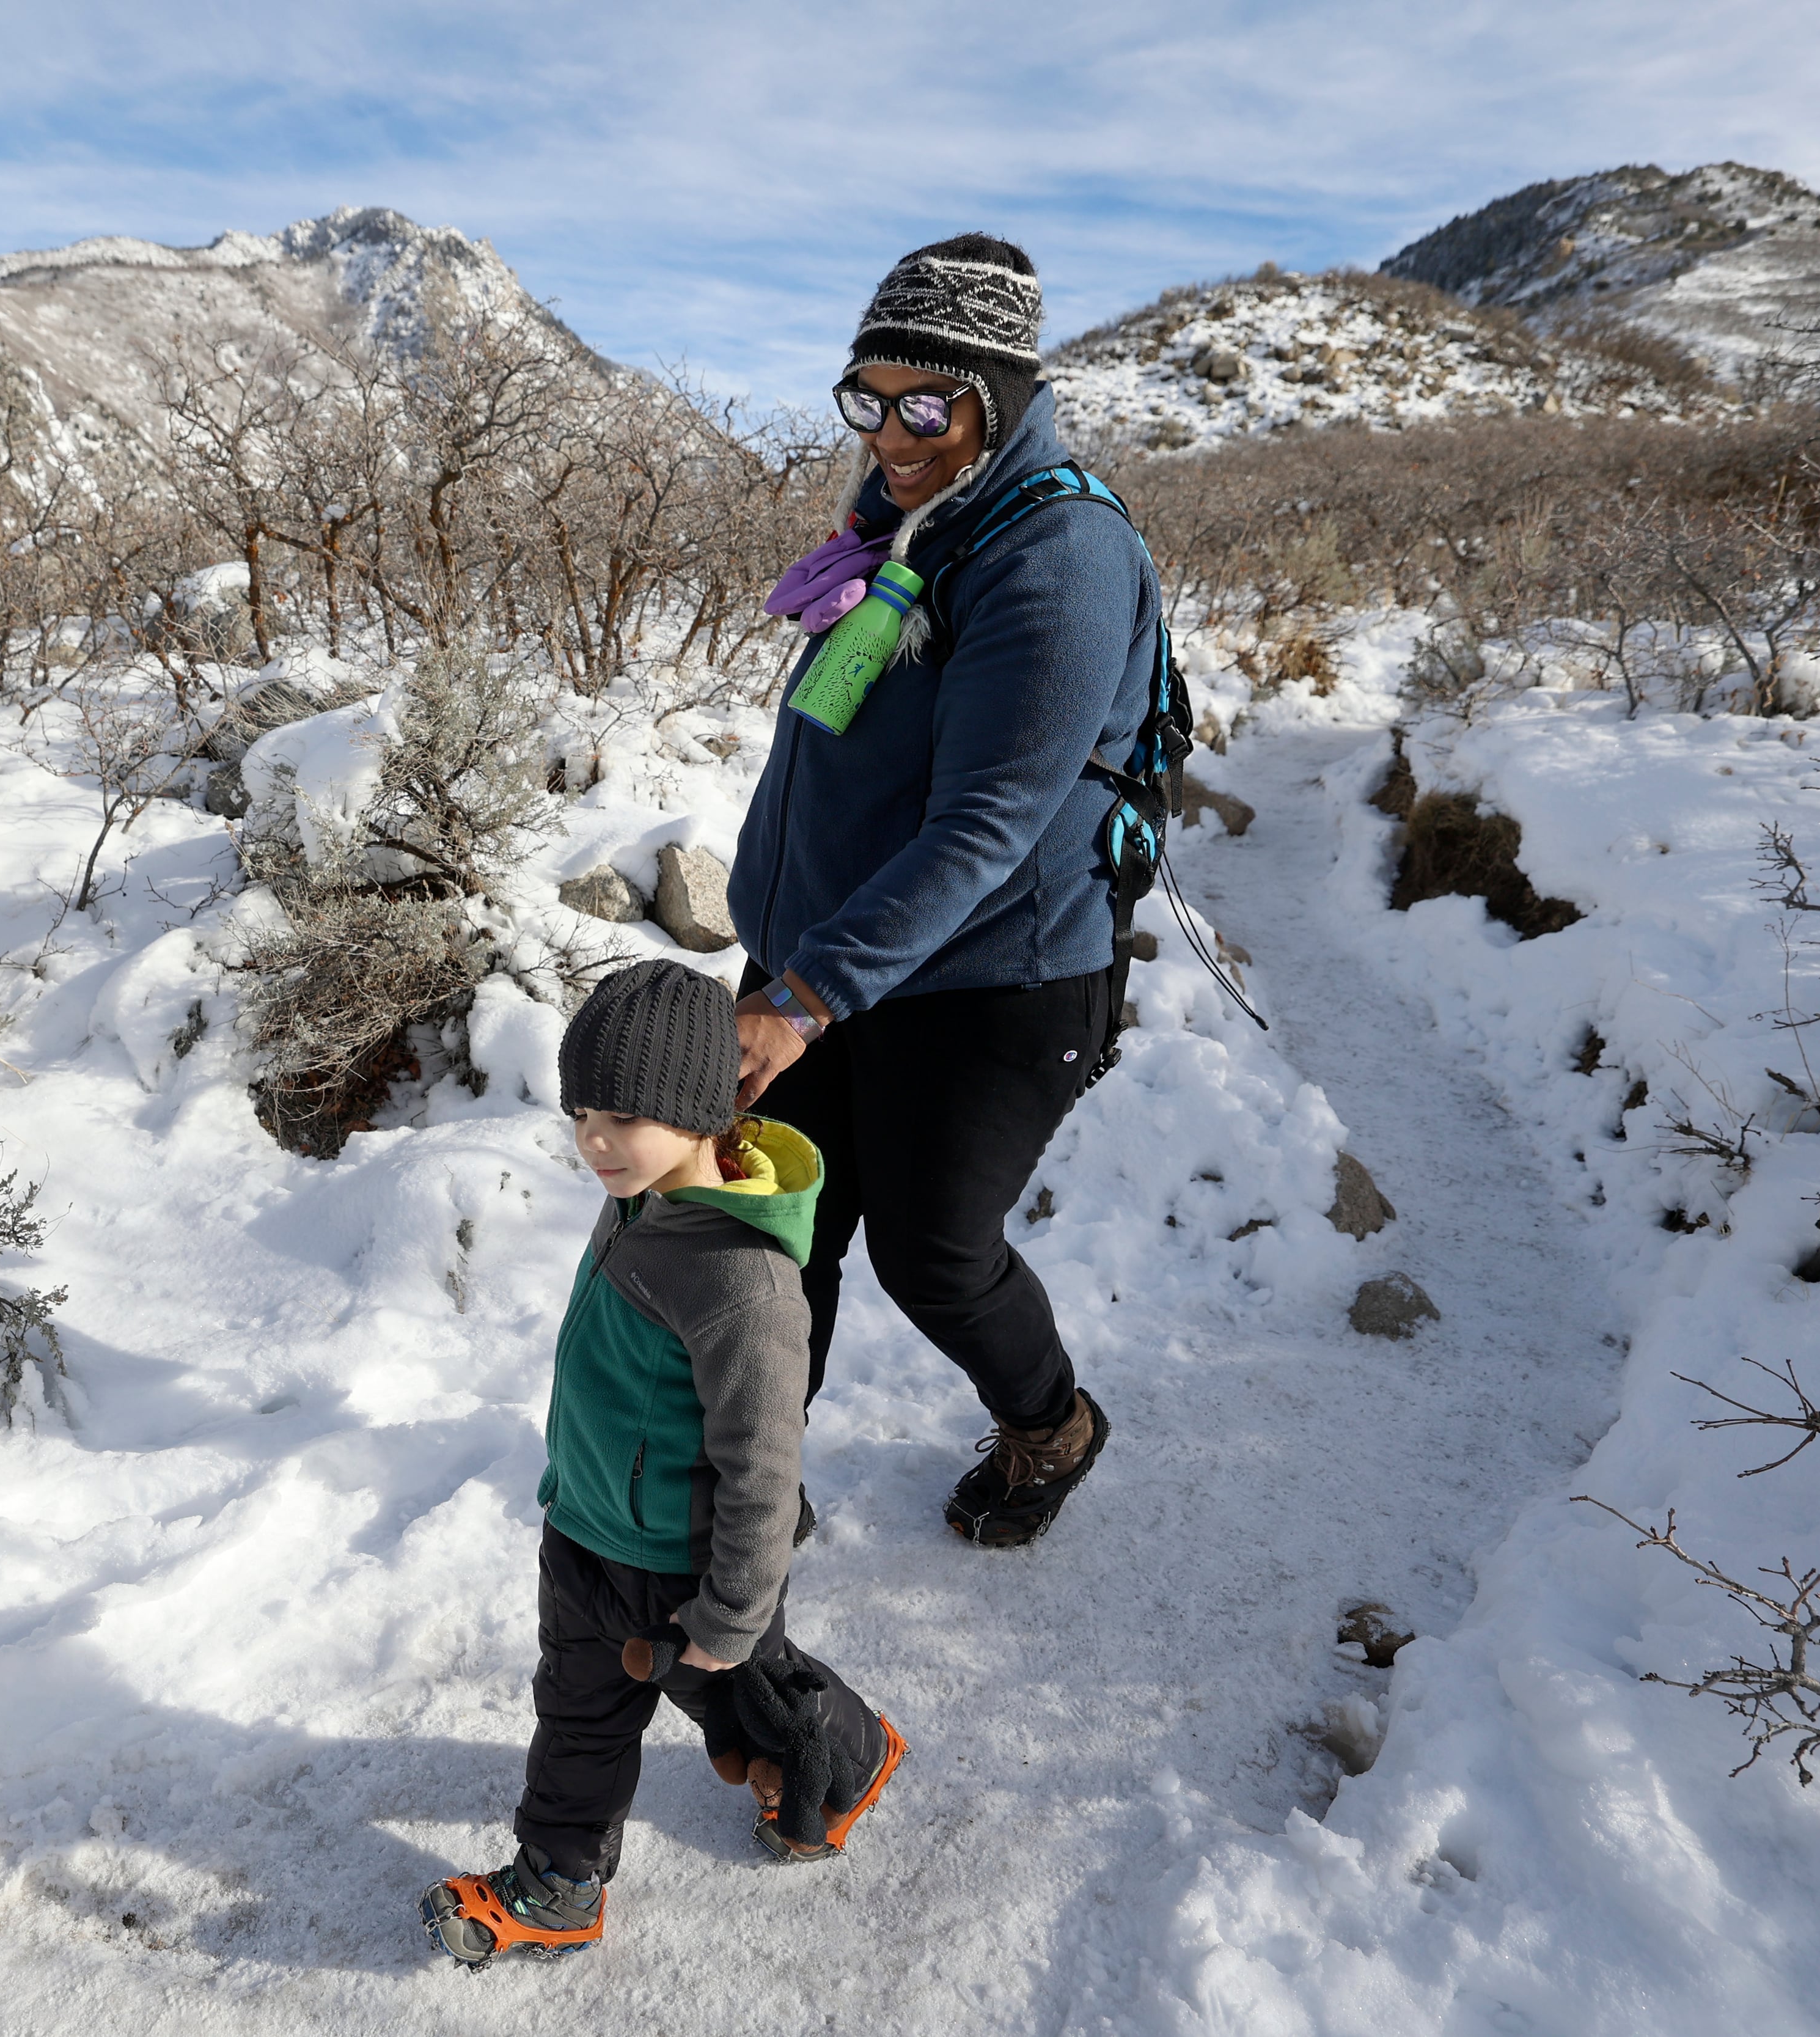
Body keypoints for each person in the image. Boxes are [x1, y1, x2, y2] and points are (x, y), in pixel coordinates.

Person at [726, 234, 1158, 1551]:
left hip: (988, 976)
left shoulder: (1060, 549)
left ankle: (1052, 1423)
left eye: (929, 404)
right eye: (869, 397)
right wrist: (781, 948)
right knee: (764, 1243)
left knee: (934, 1253)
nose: (893, 432)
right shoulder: (903, 526)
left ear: (1001, 396)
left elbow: (986, 823)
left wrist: (802, 996)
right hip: (827, 957)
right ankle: (743, 1498)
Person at [421, 960, 905, 1969]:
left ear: (697, 1110)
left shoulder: (745, 1282)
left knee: (751, 1701)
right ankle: (559, 1885)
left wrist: (730, 1614)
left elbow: (765, 1467)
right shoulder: (638, 1195)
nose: (594, 1140)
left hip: (685, 1570)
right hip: (588, 1531)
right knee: (578, 1717)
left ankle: (850, 1756)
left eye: (622, 1117)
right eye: (583, 1112)